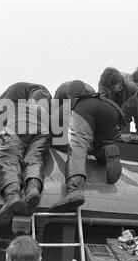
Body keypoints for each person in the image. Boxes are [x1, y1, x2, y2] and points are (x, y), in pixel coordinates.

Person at [50, 80, 125, 213]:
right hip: (111, 110)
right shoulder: (99, 98)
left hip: (84, 112)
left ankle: (74, 190)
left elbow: (55, 132)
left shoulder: (67, 105)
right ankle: (107, 150)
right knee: (102, 144)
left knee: (77, 148)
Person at [0, 82, 52, 227]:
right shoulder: (45, 107)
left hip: (17, 125)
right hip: (43, 129)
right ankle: (33, 188)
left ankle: (12, 196)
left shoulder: (12, 101)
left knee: (8, 159)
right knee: (35, 159)